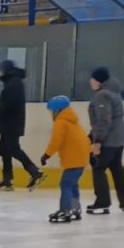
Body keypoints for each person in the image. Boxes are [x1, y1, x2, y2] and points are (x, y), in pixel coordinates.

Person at [85, 67, 124, 216]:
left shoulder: (102, 95)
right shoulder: (115, 93)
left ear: (99, 81)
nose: (90, 81)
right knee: (116, 166)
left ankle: (102, 202)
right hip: (119, 137)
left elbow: (104, 120)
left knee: (98, 167)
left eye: (93, 79)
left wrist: (97, 141)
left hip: (108, 139)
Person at [40, 95, 91, 224]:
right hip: (81, 160)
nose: (51, 114)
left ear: (58, 110)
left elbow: (56, 141)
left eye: (52, 111)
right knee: (73, 184)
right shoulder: (74, 122)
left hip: (73, 161)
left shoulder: (61, 122)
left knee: (65, 184)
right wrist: (90, 155)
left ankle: (65, 210)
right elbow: (85, 140)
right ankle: (75, 209)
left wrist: (46, 155)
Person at [0, 60, 40, 188]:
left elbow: (10, 104)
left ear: (6, 70)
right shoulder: (12, 82)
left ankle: (34, 171)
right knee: (3, 149)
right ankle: (8, 179)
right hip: (8, 123)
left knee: (13, 149)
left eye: (1, 70)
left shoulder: (14, 83)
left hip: (11, 124)